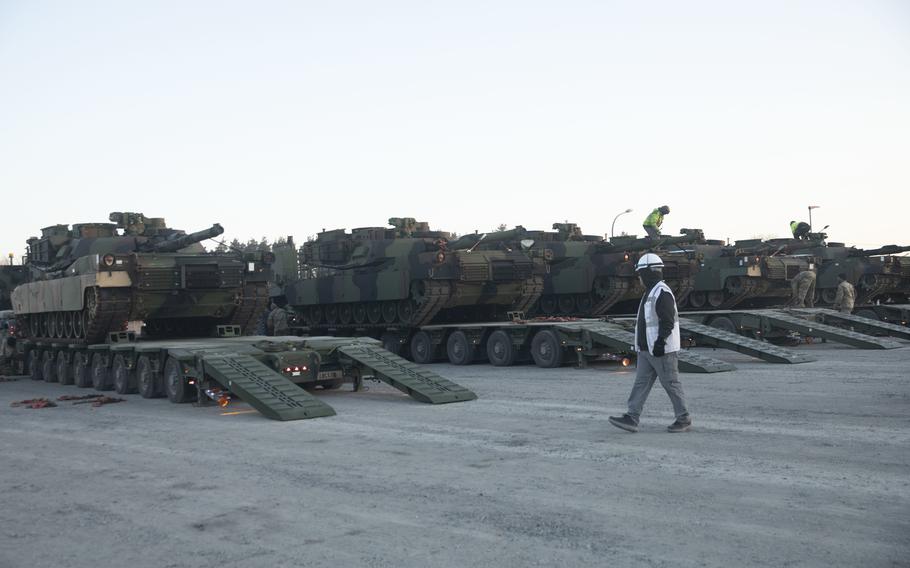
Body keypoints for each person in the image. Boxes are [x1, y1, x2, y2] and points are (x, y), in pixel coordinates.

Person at [609, 253, 691, 433]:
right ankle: (631, 417)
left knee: (671, 383)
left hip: (661, 350)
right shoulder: (651, 292)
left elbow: (667, 321)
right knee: (641, 384)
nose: (638, 277)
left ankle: (683, 418)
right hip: (647, 349)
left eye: (640, 273)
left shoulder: (661, 292)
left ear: (647, 273)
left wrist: (661, 342)